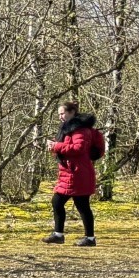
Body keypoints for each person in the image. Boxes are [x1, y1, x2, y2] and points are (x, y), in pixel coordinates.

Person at [44, 101, 104, 247]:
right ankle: (85, 237)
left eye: (62, 113)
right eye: (59, 114)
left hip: (78, 173)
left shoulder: (80, 129)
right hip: (72, 172)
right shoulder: (71, 129)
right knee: (79, 205)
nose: (60, 117)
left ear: (72, 113)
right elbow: (70, 147)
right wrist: (54, 146)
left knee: (64, 202)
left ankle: (64, 235)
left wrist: (56, 146)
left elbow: (79, 148)